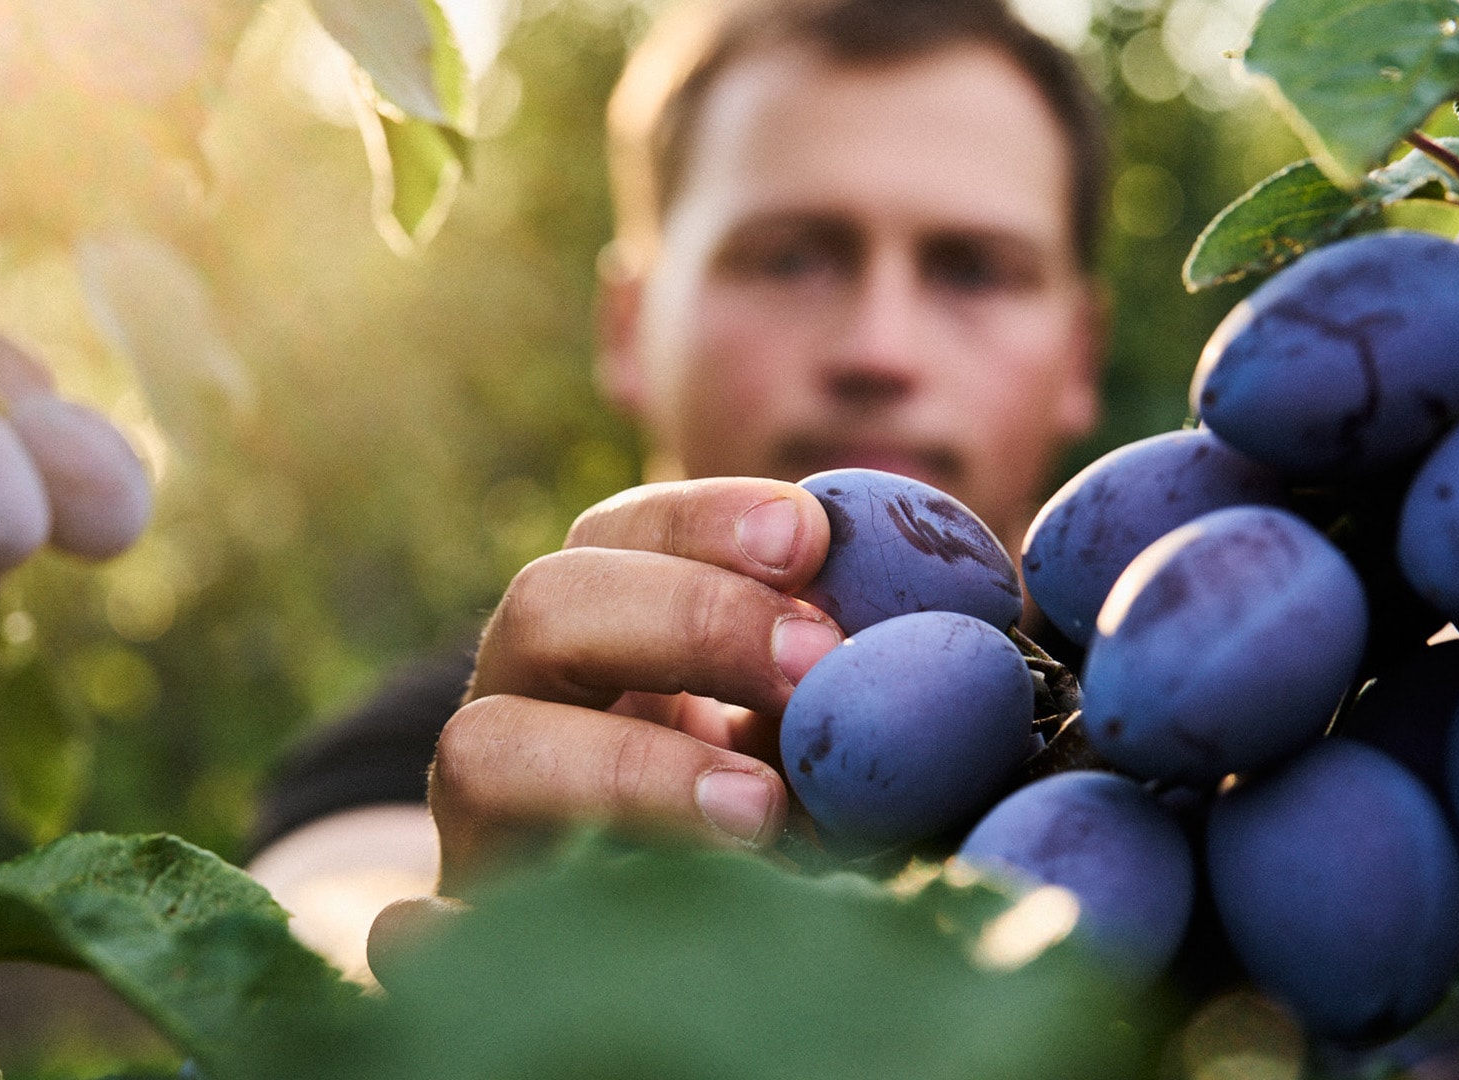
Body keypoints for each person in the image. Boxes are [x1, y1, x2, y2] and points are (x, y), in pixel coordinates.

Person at [246, 0, 1106, 981]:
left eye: (973, 269)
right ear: (628, 328)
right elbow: (313, 926)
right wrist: (468, 962)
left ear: (1080, 356)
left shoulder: (1220, 742)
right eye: (789, 255)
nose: (882, 349)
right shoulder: (461, 745)